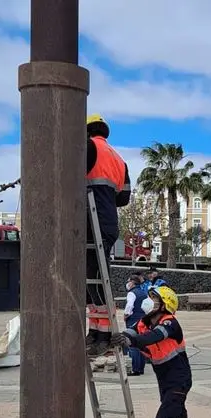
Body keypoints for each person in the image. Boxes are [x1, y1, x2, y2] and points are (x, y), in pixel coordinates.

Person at [111, 285, 203, 418]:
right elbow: (132, 331)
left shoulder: (170, 323)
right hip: (165, 383)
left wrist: (130, 341)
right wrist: (117, 338)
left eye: (155, 300)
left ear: (165, 306)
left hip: (179, 381)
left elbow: (153, 337)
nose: (150, 303)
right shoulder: (144, 323)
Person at [85, 113, 131, 357]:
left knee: (94, 281)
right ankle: (95, 331)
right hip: (108, 222)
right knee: (92, 280)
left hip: (91, 221)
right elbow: (123, 198)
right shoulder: (119, 159)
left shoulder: (88, 147)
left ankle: (102, 335)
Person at [123, 274, 149, 376]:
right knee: (141, 344)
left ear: (133, 283)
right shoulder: (143, 292)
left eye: (128, 281)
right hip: (142, 321)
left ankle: (135, 369)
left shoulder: (132, 293)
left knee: (132, 344)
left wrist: (126, 314)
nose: (127, 284)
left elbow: (129, 305)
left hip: (133, 320)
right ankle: (140, 368)